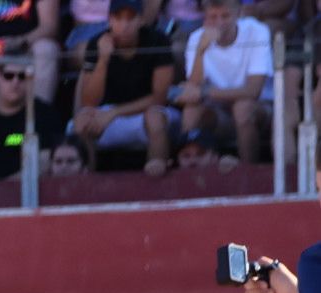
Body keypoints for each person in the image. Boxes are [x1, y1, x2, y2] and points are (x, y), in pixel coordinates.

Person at [72, 0, 176, 177]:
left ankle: (157, 181)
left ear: (141, 20)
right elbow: (88, 101)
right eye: (118, 19)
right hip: (108, 116)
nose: (124, 25)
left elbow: (160, 98)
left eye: (130, 18)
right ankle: (87, 183)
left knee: (155, 117)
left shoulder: (158, 40)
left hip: (148, 113)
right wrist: (103, 59)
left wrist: (114, 113)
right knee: (82, 121)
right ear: (109, 20)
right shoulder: (96, 43)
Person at [175, 0, 273, 167]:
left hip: (259, 111)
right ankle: (190, 174)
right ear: (205, 17)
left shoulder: (257, 31)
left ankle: (248, 172)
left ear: (238, 14)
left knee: (242, 108)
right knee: (191, 111)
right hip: (219, 115)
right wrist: (200, 51)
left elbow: (253, 91)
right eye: (213, 17)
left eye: (225, 16)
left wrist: (205, 92)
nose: (219, 22)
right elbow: (193, 90)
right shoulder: (197, 38)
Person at [0, 51, 60, 181]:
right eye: (8, 76)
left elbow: (46, 160)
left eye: (22, 76)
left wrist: (8, 186)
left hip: (26, 190)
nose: (15, 82)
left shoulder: (44, 114)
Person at [0, 0, 59, 104]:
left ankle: (41, 114)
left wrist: (19, 41)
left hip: (27, 50)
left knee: (47, 49)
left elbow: (49, 26)